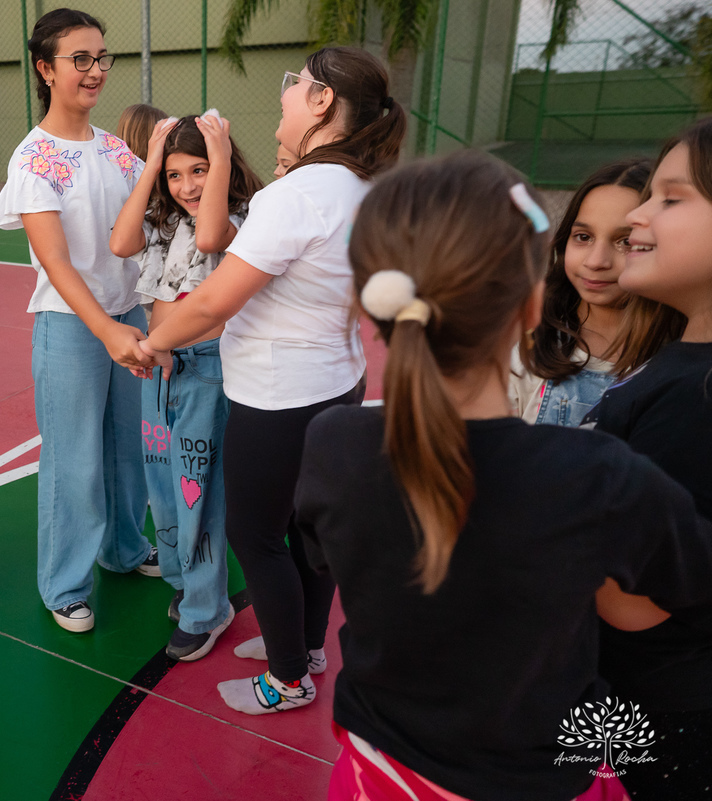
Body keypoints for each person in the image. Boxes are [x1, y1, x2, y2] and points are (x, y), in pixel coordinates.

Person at [295, 149, 712, 801]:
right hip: (538, 776)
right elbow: (687, 580)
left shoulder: (332, 442)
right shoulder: (599, 478)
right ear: (532, 302)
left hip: (379, 771)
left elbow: (323, 553)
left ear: (367, 302)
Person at [139, 46, 405, 714]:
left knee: (257, 534)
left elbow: (208, 303)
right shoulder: (355, 187)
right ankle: (305, 645)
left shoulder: (299, 193)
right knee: (303, 530)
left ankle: (288, 678)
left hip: (279, 396)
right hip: (333, 384)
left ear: (322, 103)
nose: (284, 97)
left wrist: (148, 343)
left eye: (296, 85)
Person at [0, 8, 158, 634]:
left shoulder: (117, 151)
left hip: (128, 315)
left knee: (128, 453)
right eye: (79, 60)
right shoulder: (33, 159)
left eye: (101, 58)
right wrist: (110, 329)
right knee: (74, 462)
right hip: (71, 327)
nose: (95, 71)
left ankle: (123, 549)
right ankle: (64, 585)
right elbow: (56, 263)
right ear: (45, 68)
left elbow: (147, 227)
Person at [585, 117, 712, 800]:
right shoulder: (679, 364)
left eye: (672, 196)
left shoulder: (693, 396)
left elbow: (636, 600)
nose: (639, 212)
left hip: (657, 713)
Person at [109, 111, 264, 660]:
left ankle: (208, 608)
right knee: (163, 486)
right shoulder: (163, 216)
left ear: (221, 166)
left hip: (203, 370)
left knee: (199, 492)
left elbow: (211, 235)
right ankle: (183, 582)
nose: (188, 186)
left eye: (198, 170)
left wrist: (220, 158)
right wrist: (151, 165)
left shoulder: (242, 217)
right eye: (177, 175)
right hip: (158, 367)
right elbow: (123, 242)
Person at [508, 160, 651, 425]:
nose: (596, 261)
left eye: (626, 241)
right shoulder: (524, 342)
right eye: (583, 237)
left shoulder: (682, 354)